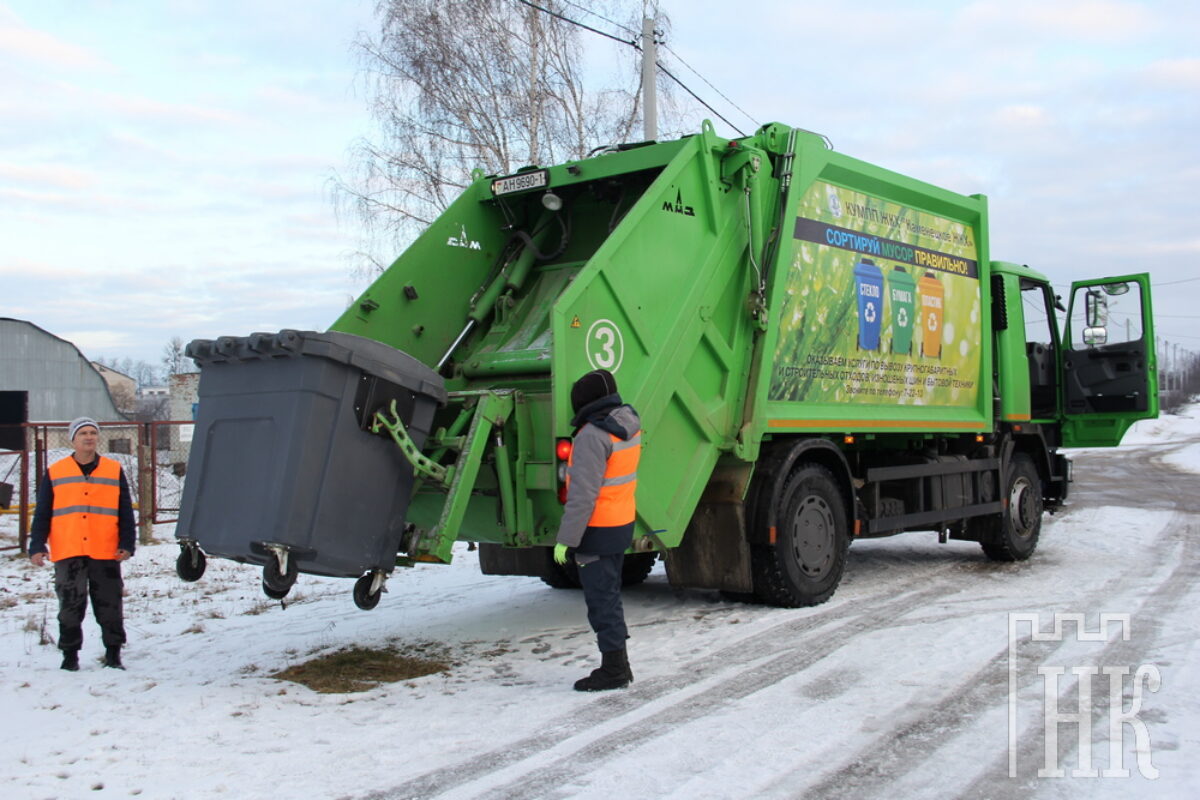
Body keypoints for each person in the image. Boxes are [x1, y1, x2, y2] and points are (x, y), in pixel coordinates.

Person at [554, 369, 642, 691]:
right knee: (610, 596)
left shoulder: (592, 436)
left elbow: (582, 497)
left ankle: (614, 669)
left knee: (602, 601)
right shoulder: (628, 425)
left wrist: (565, 541)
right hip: (620, 524)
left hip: (597, 530)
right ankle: (621, 664)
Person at [29, 417, 135, 670]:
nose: (89, 437)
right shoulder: (57, 471)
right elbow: (43, 511)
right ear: (72, 439)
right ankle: (70, 656)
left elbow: (125, 511)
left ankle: (113, 654)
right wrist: (36, 545)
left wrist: (127, 543)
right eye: (83, 433)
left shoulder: (112, 469)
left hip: (105, 549)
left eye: (93, 433)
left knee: (109, 605)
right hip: (69, 549)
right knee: (70, 605)